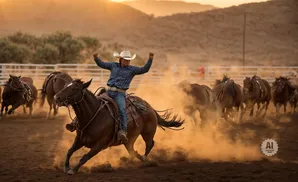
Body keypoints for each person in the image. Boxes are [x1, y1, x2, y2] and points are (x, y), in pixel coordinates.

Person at [66, 50, 154, 143]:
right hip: (109, 92)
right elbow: (102, 64)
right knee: (92, 104)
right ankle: (75, 123)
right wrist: (96, 58)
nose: (127, 62)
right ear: (120, 59)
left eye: (128, 60)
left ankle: (123, 132)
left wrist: (150, 59)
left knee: (122, 110)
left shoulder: (132, 69)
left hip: (120, 94)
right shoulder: (113, 65)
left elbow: (144, 69)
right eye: (125, 60)